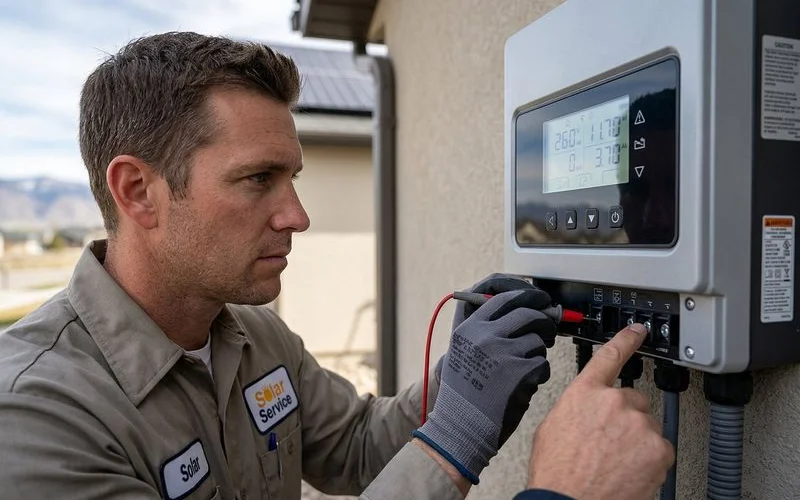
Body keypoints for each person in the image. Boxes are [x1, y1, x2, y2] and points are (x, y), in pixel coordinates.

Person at [0, 31, 672, 500]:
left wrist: (464, 375)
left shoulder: (255, 339)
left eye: (292, 177)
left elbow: (356, 446)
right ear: (138, 192)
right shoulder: (38, 418)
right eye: (258, 179)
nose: (296, 215)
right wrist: (537, 478)